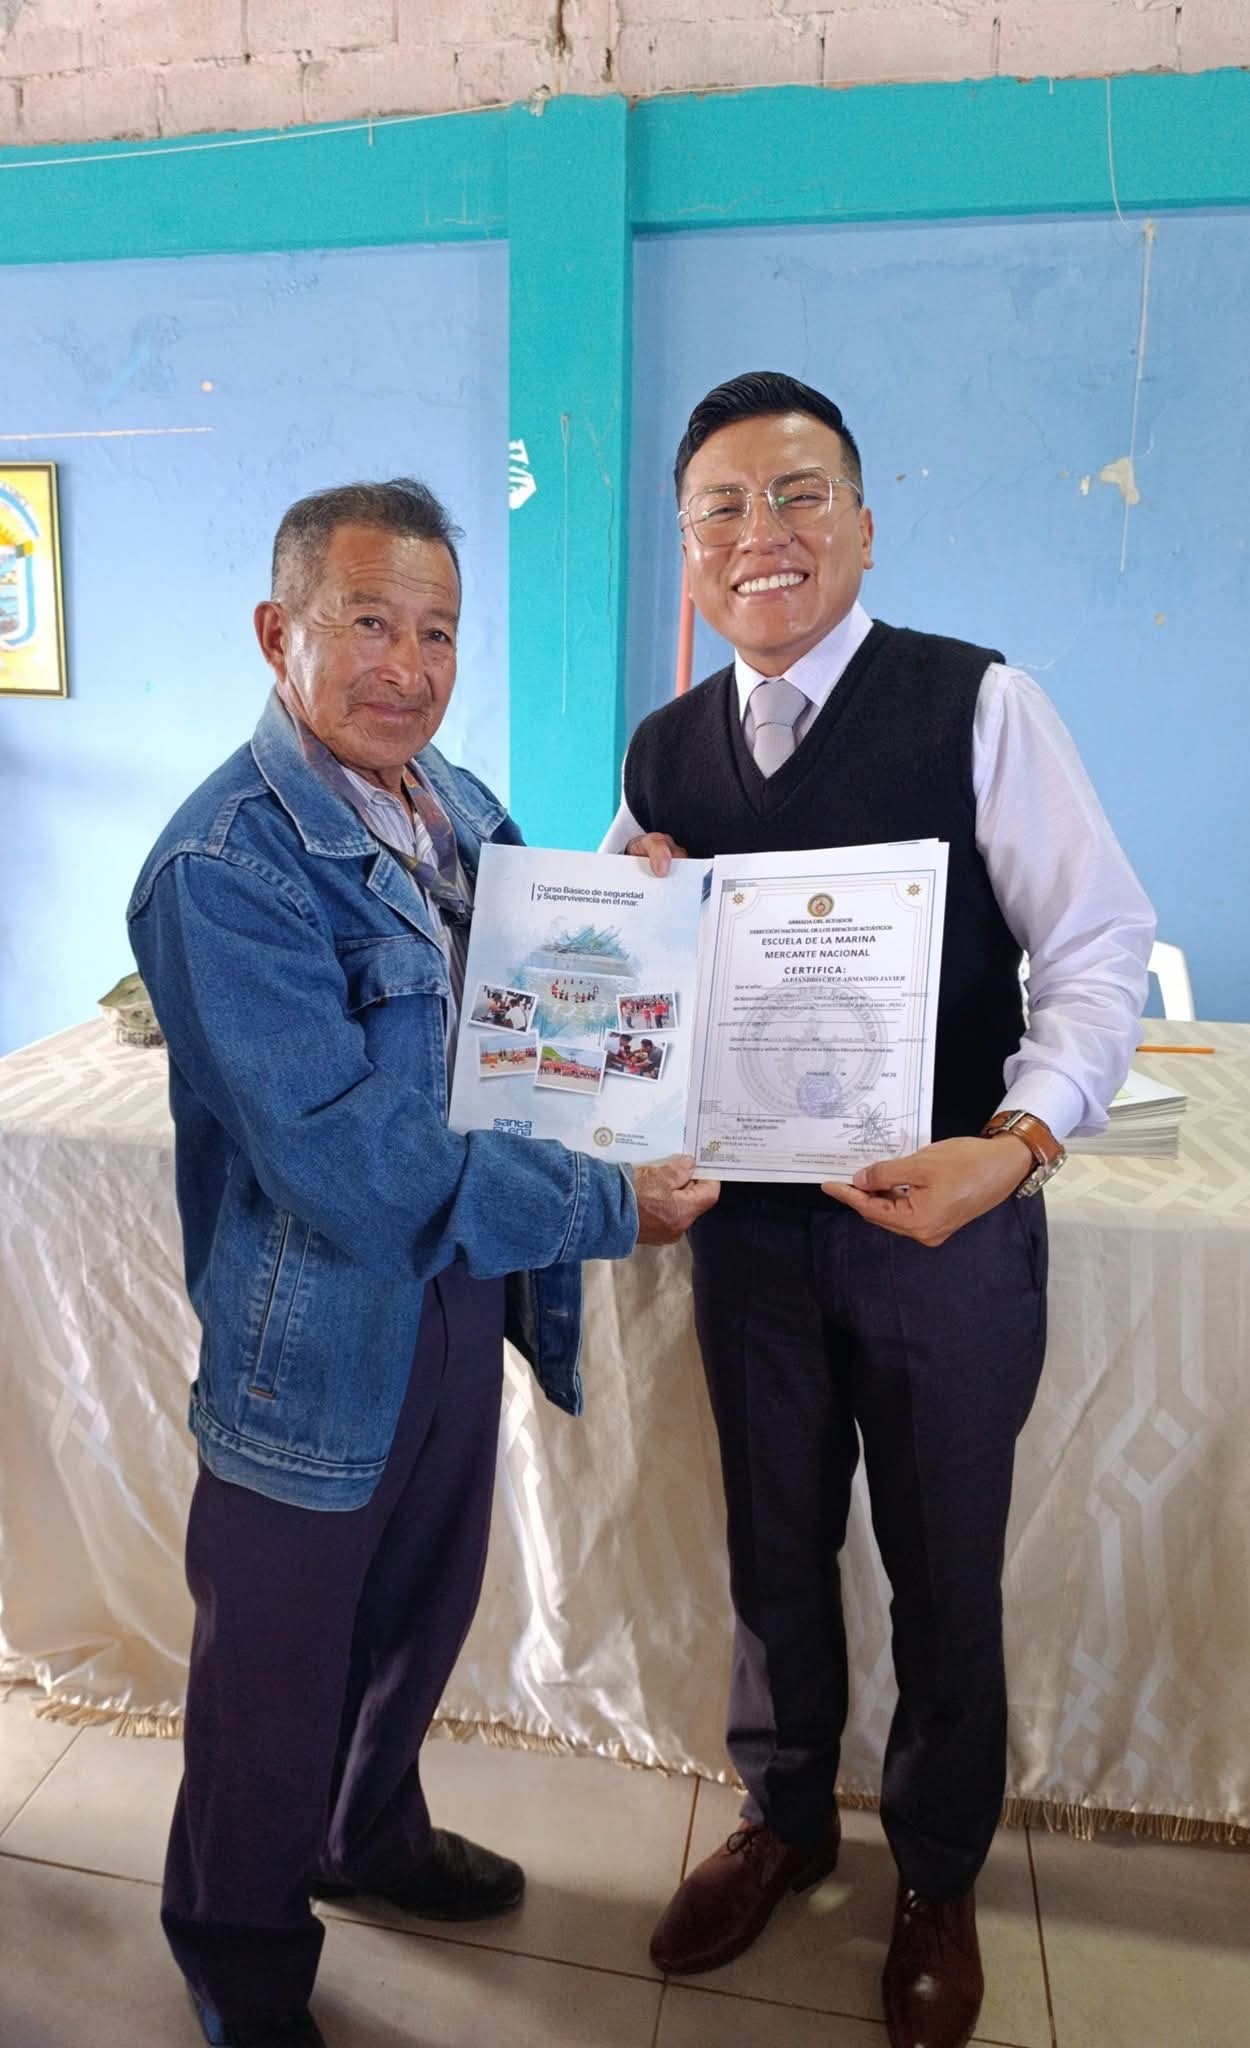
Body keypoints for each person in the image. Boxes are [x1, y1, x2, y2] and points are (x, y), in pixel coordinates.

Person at [128, 477, 716, 2048]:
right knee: (273, 1668)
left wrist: (629, 903)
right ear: (278, 631)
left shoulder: (444, 798)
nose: (408, 665)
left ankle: (364, 1833)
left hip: (459, 1287)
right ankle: (243, 1960)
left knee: (415, 1605)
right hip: (317, 1323)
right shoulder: (223, 868)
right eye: (367, 622)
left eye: (438, 630)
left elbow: (528, 979)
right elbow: (350, 1166)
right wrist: (609, 1207)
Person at [603, 374, 1154, 2048]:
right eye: (720, 509)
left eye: (796, 496)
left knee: (939, 1564)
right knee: (771, 1542)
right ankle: (782, 1818)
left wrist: (1017, 1141)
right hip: (751, 1237)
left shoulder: (975, 702)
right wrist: (628, 927)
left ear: (858, 522)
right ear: (688, 547)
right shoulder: (664, 747)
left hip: (943, 1229)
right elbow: (621, 991)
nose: (759, 535)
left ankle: (935, 1872)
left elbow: (1097, 948)